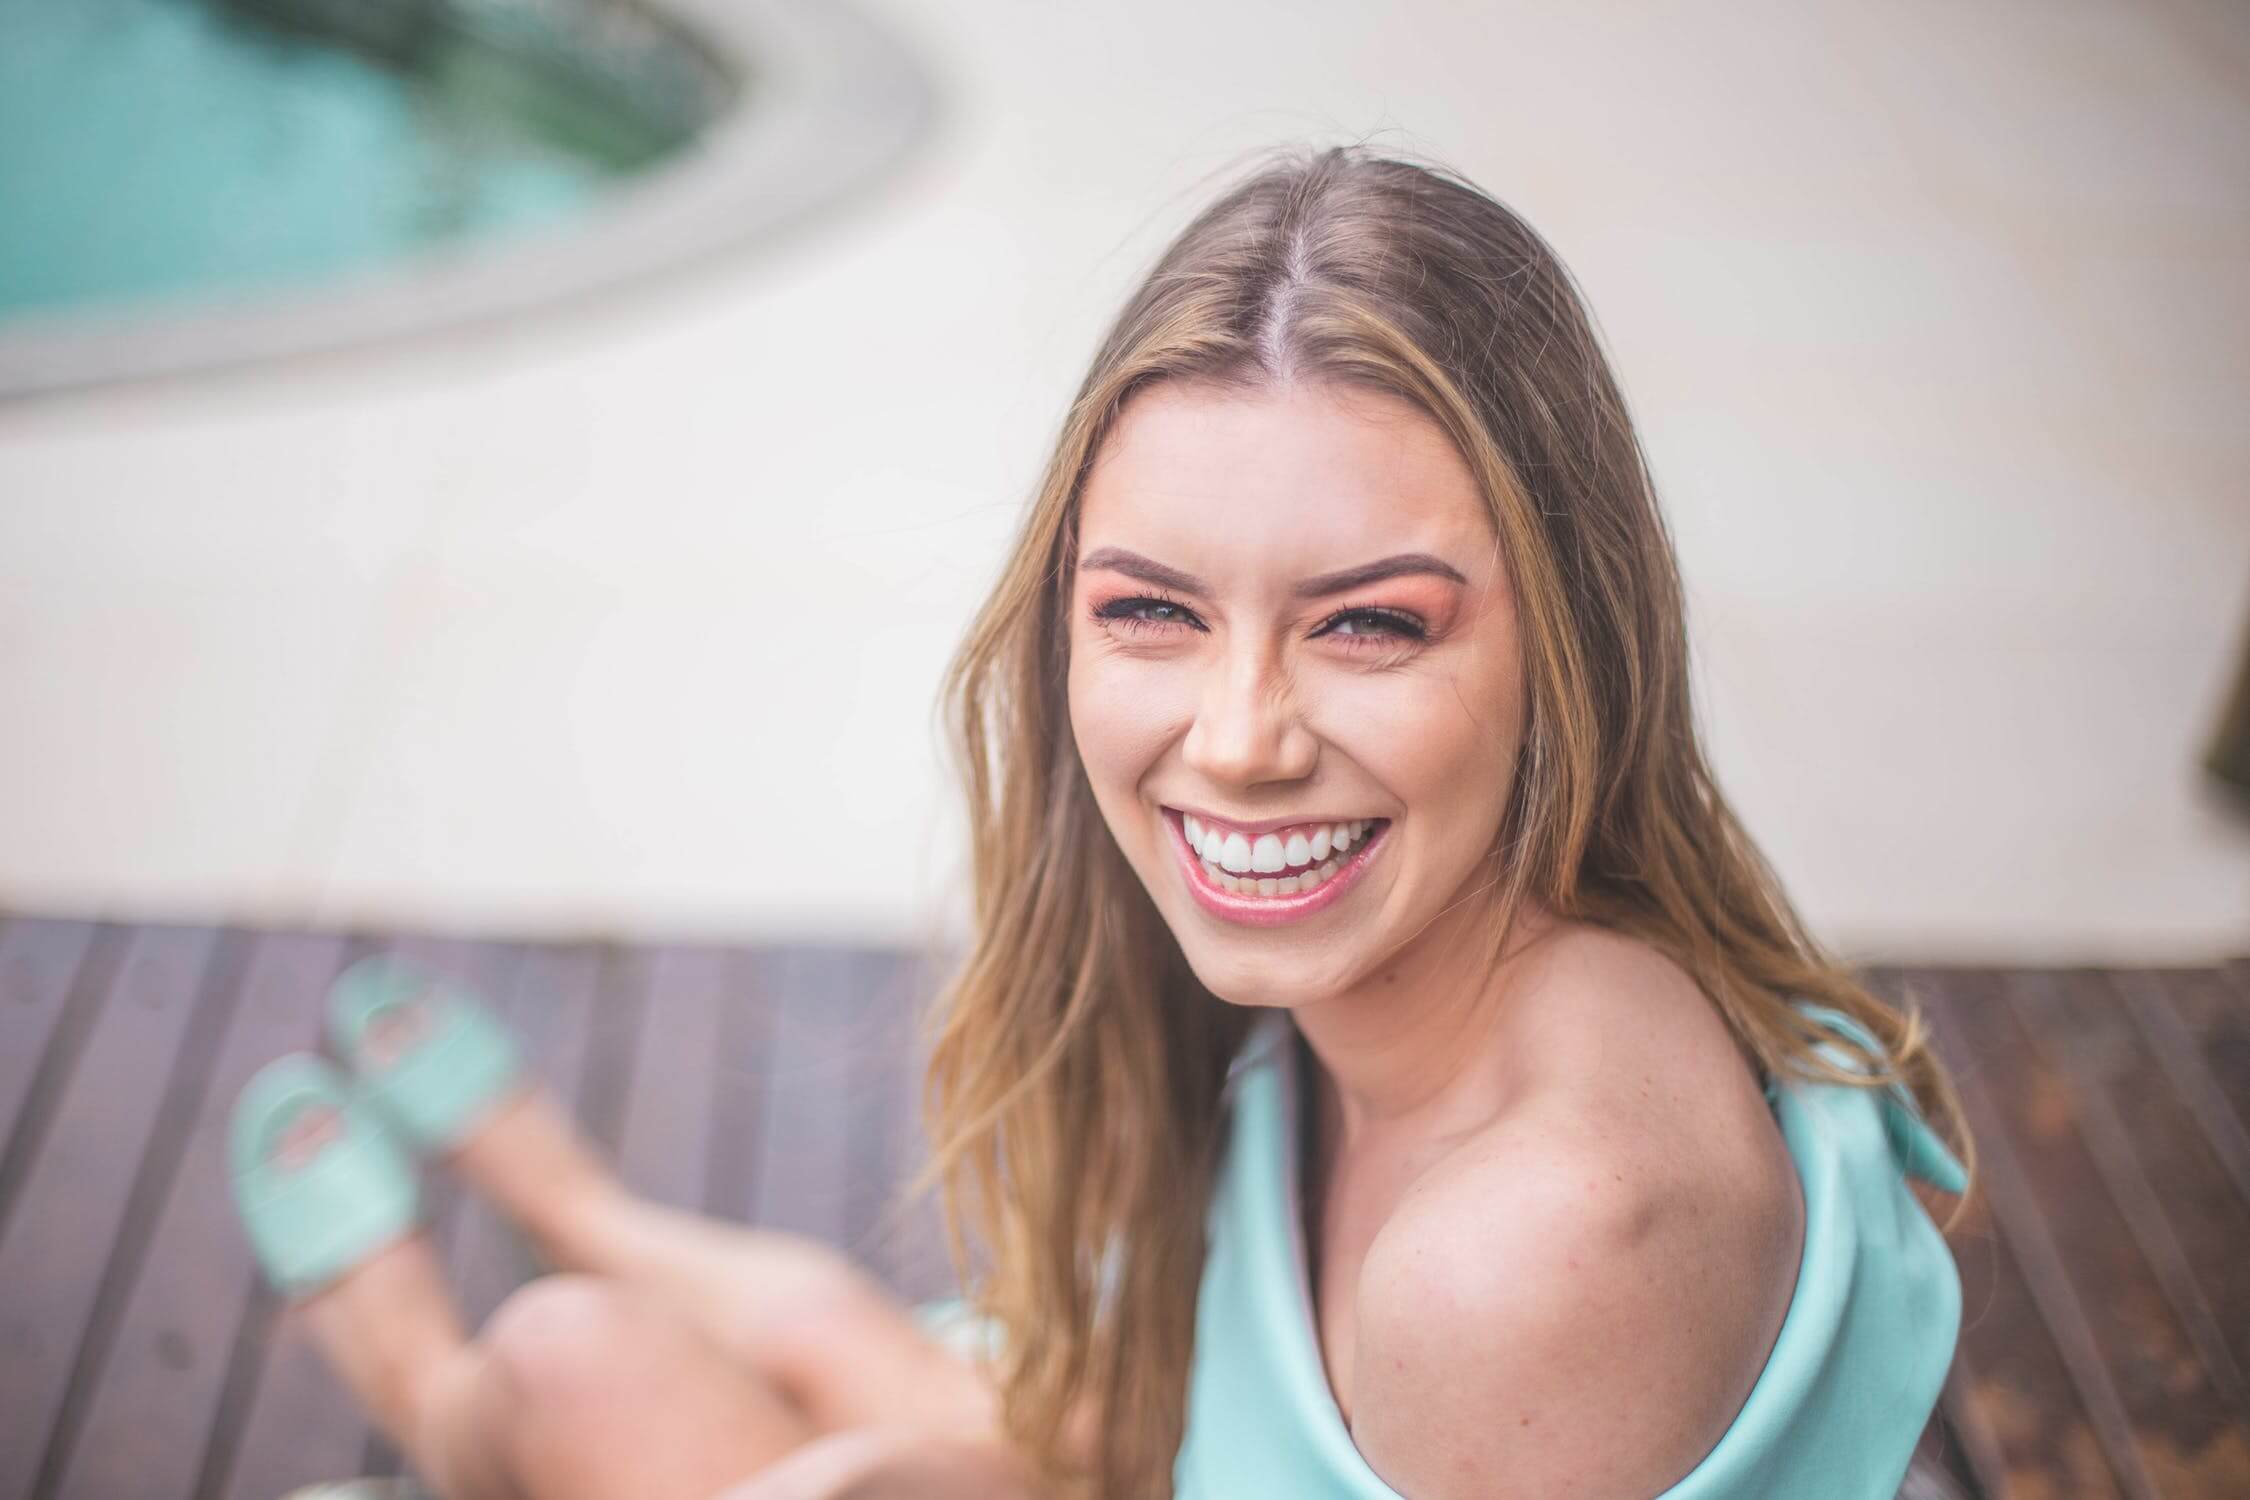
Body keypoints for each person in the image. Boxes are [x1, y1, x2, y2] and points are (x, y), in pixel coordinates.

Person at [230, 142, 1973, 1500]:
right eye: (1150, 609)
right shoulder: (1437, 975)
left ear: (1567, 638)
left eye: (1371, 621)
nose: (1236, 742)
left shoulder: (1534, 1256)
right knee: (721, 1354)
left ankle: (421, 1392)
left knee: (560, 1377)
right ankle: (583, 1208)